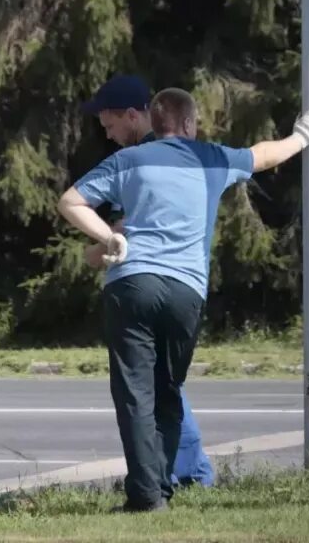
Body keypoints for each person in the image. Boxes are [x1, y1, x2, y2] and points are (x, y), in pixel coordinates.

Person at [58, 87, 309, 511]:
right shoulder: (211, 157)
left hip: (132, 283)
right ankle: (160, 487)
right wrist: (302, 135)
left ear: (154, 121)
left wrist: (108, 236)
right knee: (169, 391)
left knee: (135, 394)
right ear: (189, 124)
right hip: (186, 290)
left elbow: (71, 201)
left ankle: (146, 496)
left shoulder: (128, 160)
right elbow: (265, 155)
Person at [79, 74, 214, 489]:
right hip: (184, 283)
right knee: (163, 385)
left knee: (154, 388)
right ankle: (178, 471)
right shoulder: (179, 157)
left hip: (155, 281)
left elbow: (125, 235)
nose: (109, 134)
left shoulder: (140, 163)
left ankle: (179, 472)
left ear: (134, 116)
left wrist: (97, 251)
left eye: (110, 125)